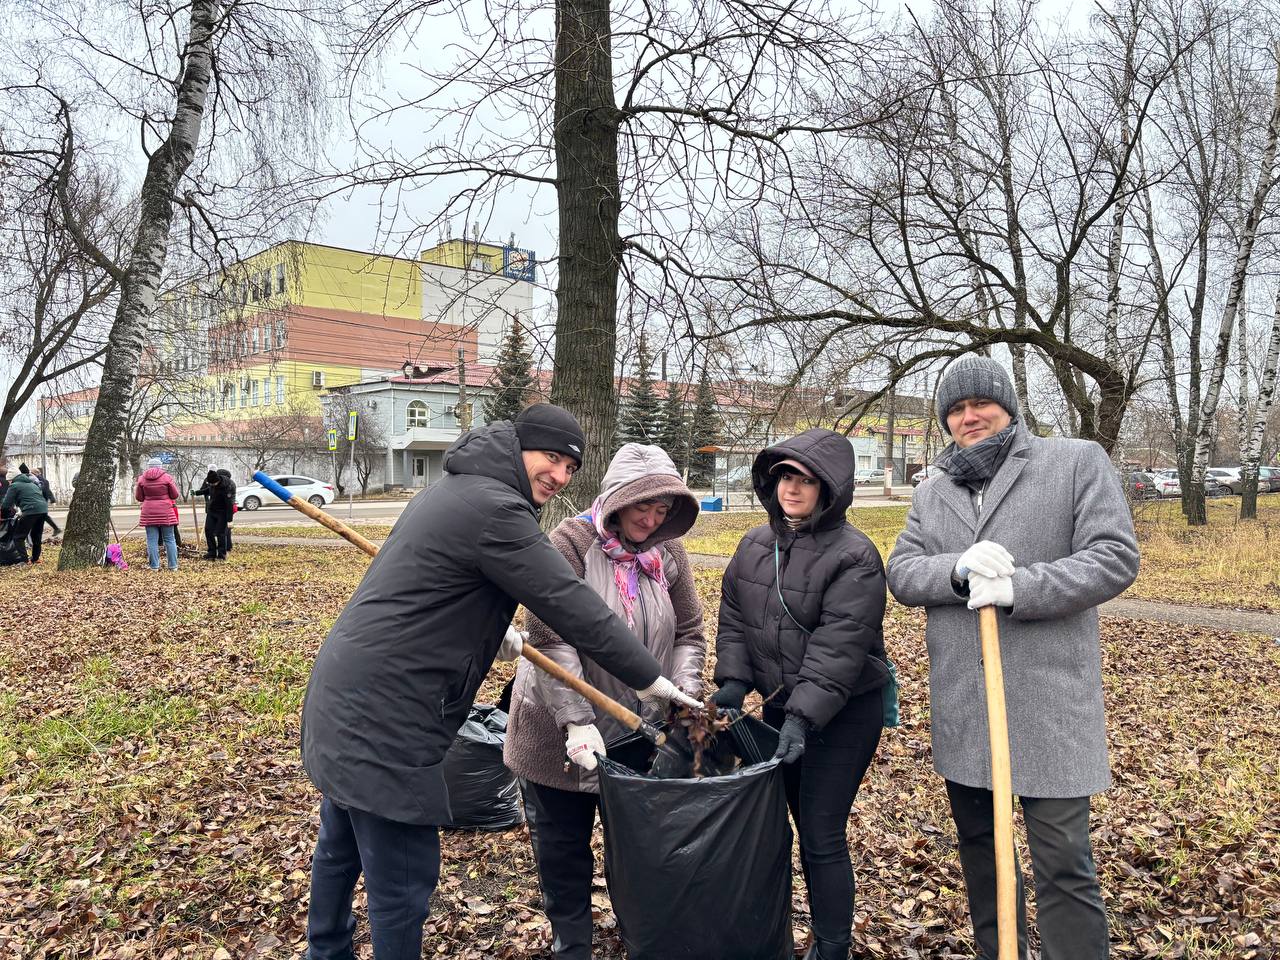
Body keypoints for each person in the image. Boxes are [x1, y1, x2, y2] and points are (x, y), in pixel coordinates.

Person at [301, 404, 700, 960]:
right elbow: (571, 606)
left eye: (569, 467)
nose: (559, 475)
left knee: (340, 848)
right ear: (518, 448)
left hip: (345, 695)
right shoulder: (496, 510)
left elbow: (431, 593)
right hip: (389, 715)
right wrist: (650, 678)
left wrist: (493, 630)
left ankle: (325, 951)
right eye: (551, 458)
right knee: (403, 880)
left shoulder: (457, 491)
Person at [886, 354, 1139, 960]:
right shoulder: (934, 491)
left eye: (981, 404)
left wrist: (1021, 587)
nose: (968, 417)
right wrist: (956, 569)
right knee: (984, 859)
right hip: (967, 707)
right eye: (955, 408)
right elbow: (901, 571)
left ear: (1009, 406)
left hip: (1048, 703)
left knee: (1064, 863)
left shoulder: (1074, 462)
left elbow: (1113, 556)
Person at [504, 442, 706, 960]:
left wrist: (682, 696)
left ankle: (639, 932)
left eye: (664, 509)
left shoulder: (668, 553)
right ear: (617, 499)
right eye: (643, 506)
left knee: (636, 847)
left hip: (637, 732)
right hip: (557, 733)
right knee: (563, 848)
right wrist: (575, 720)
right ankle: (572, 942)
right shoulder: (570, 542)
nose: (652, 518)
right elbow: (550, 636)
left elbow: (689, 632)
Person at [710, 429, 891, 960]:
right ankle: (781, 931)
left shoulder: (855, 556)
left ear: (829, 490)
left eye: (806, 480)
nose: (792, 488)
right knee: (783, 822)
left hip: (845, 711)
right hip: (782, 704)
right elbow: (736, 615)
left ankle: (833, 947)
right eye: (786, 475)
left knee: (820, 829)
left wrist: (802, 717)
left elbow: (840, 646)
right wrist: (735, 682)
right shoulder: (753, 545)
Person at [136, 457, 180, 571]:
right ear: (160, 466)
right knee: (170, 539)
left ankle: (154, 566)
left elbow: (139, 497)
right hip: (165, 511)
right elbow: (175, 495)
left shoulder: (141, 479)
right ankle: (173, 566)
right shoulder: (167, 477)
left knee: (151, 540)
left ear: (148, 467)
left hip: (148, 512)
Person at [1, 464, 51, 564]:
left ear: (12, 479)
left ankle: (25, 560)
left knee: (18, 537)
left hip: (30, 511)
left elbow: (6, 504)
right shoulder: (32, 483)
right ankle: (35, 559)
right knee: (36, 536)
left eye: (9, 480)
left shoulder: (14, 486)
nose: (9, 482)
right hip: (43, 510)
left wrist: (4, 515)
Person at [193, 469, 232, 559]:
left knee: (220, 533)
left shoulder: (226, 488)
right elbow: (207, 490)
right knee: (208, 531)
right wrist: (196, 493)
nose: (211, 485)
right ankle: (211, 552)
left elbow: (229, 505)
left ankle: (222, 554)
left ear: (217, 481)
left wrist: (230, 520)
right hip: (212, 511)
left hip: (222, 513)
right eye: (210, 484)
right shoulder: (212, 484)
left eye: (213, 484)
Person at [32, 467, 61, 537]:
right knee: (44, 517)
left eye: (31, 473)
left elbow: (46, 491)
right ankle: (56, 528)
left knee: (42, 517)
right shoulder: (43, 480)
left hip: (40, 501)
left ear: (35, 473)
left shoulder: (39, 481)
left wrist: (52, 500)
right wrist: (52, 500)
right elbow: (48, 491)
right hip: (42, 502)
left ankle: (55, 529)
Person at [217, 468, 237, 552]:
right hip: (230, 508)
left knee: (223, 529)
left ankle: (225, 546)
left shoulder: (227, 484)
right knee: (227, 528)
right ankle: (228, 545)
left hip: (226, 508)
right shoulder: (231, 482)